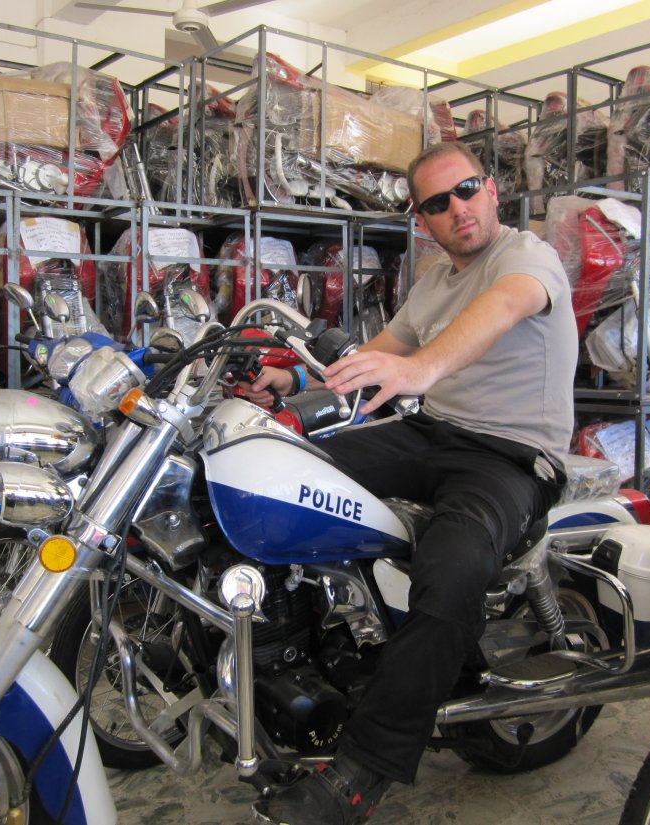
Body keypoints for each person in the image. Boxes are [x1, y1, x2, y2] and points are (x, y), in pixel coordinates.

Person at [245, 140, 578, 825]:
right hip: (434, 434)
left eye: (466, 189)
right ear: (420, 218)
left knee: (451, 565)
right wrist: (294, 379)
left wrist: (423, 370)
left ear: (491, 190)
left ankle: (363, 772)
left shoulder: (526, 257)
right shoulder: (432, 281)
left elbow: (504, 309)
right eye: (436, 202)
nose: (457, 208)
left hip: (511, 455)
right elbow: (379, 355)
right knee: (280, 475)